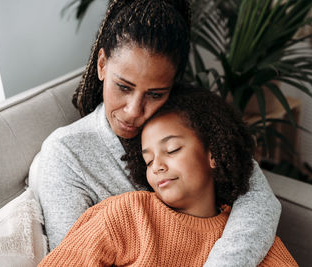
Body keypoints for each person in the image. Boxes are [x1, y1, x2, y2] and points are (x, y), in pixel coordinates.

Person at [36, 0, 281, 266]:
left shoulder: (186, 118)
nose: (133, 111)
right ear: (102, 64)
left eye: (155, 94)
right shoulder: (66, 153)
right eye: (124, 87)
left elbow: (258, 199)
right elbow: (75, 255)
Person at [39, 88, 297, 267]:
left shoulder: (249, 238)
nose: (158, 166)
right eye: (148, 161)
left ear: (214, 154)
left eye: (172, 149)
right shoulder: (128, 214)